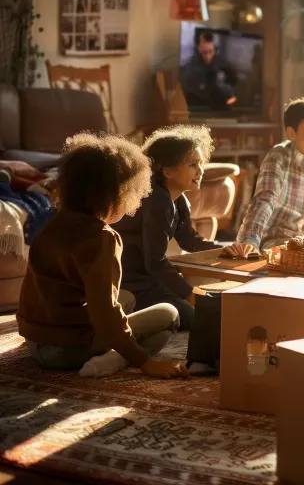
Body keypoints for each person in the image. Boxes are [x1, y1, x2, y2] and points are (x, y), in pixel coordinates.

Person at [17, 133, 189, 379]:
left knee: (126, 298)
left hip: (36, 341)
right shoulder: (103, 238)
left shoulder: (54, 224)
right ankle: (110, 362)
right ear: (118, 192)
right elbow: (104, 312)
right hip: (62, 351)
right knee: (169, 314)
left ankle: (108, 347)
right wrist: (146, 363)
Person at [113, 125, 243, 331]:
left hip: (152, 283)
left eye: (201, 163)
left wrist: (224, 250)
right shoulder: (156, 201)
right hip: (133, 286)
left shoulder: (179, 200)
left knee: (211, 310)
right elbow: (155, 262)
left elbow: (190, 241)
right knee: (201, 319)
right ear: (167, 171)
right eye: (192, 164)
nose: (200, 171)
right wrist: (188, 293)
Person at [232, 98, 304, 254]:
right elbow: (265, 199)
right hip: (272, 240)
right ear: (292, 133)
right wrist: (250, 240)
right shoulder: (279, 156)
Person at [179, 31, 237, 111]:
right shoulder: (191, 65)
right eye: (204, 53)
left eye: (210, 52)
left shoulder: (221, 62)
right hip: (198, 104)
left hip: (219, 102)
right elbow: (186, 87)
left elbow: (233, 80)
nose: (208, 56)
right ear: (199, 50)